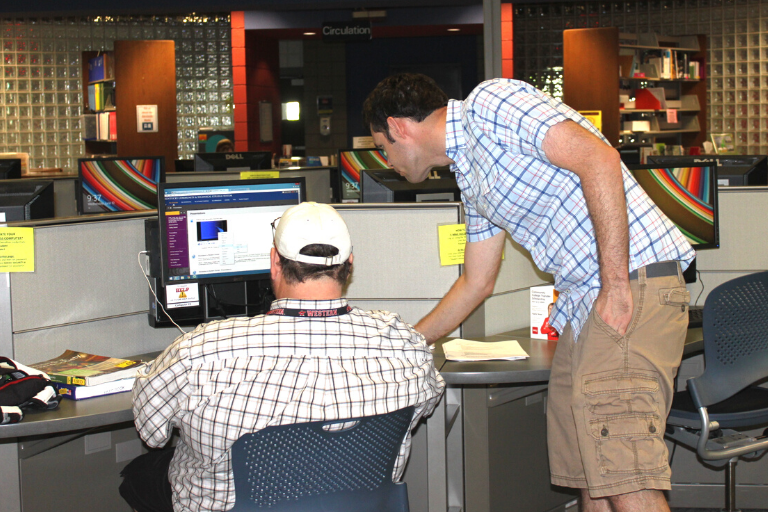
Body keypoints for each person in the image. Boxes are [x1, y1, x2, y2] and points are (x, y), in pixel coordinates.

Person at [363, 74, 694, 511]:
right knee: (588, 473)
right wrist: (404, 343)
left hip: (630, 285)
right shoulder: (470, 177)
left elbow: (598, 158)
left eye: (382, 147)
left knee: (624, 473)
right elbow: (476, 282)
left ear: (398, 127)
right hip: (583, 304)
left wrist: (616, 289)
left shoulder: (491, 103)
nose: (387, 162)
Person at [120, 201, 445, 512]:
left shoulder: (200, 352)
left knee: (141, 474)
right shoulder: (405, 345)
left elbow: (151, 431)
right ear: (350, 265)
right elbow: (424, 406)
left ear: (275, 262)